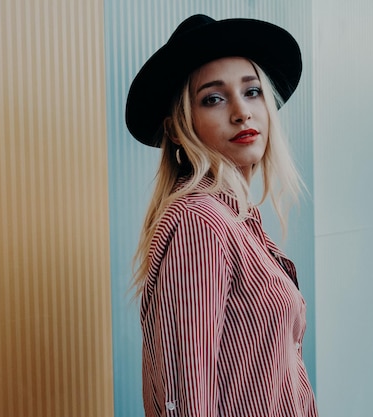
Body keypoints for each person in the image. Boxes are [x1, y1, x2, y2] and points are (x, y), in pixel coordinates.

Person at [125, 14, 318, 417]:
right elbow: (185, 398)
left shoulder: (240, 222)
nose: (241, 112)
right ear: (178, 128)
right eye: (213, 98)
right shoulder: (201, 223)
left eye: (252, 92)